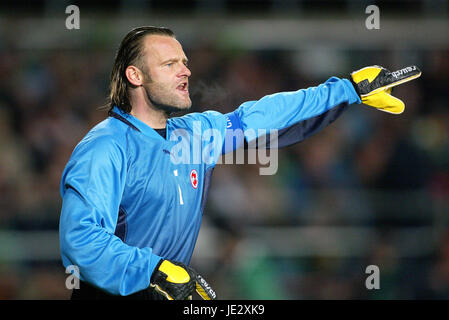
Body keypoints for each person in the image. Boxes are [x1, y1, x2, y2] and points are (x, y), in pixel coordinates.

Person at [59, 26, 421, 300]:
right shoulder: (105, 147)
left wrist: (348, 90)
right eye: (170, 64)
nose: (185, 71)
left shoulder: (194, 135)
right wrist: (155, 271)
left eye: (184, 62)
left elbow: (261, 117)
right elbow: (82, 240)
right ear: (135, 76)